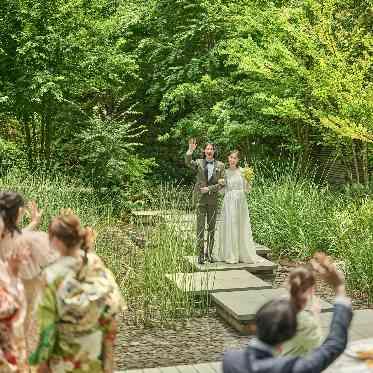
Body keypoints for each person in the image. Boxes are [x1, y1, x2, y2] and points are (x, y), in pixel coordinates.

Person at [223, 252, 353, 373]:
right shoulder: (289, 368)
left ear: (255, 325)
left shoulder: (230, 360)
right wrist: (339, 288)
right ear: (286, 338)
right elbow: (333, 345)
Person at [29, 209, 125, 372]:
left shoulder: (52, 275)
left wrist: (41, 363)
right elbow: (112, 308)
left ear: (57, 241)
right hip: (94, 352)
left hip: (66, 357)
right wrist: (108, 353)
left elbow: (47, 328)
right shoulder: (95, 263)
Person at [0, 191, 57, 353]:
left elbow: (16, 235)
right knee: (23, 334)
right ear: (19, 212)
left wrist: (34, 222)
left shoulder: (6, 238)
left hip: (5, 301)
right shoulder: (33, 240)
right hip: (26, 298)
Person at [185, 138, 225, 264]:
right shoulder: (198, 162)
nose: (209, 151)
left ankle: (210, 254)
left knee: (212, 228)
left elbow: (222, 184)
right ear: (204, 151)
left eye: (211, 149)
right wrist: (190, 150)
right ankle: (200, 255)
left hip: (213, 200)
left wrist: (209, 188)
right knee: (200, 228)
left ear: (214, 151)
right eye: (207, 148)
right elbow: (187, 162)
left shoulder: (221, 165)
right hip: (200, 200)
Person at [213, 150, 256, 264]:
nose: (232, 160)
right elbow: (222, 192)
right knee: (230, 225)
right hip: (229, 200)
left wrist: (248, 180)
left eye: (234, 158)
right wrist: (221, 184)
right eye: (231, 157)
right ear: (228, 158)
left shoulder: (243, 171)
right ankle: (231, 254)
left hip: (240, 201)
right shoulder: (224, 172)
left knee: (240, 225)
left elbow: (247, 190)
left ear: (238, 160)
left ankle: (242, 253)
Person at [279, 266, 323, 357]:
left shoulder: (276, 306)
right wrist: (316, 316)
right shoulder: (304, 321)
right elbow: (318, 350)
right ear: (311, 290)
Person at [0, 242, 28, 372]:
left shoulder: (17, 276)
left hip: (16, 336)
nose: (27, 255)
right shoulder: (2, 276)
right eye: (24, 252)